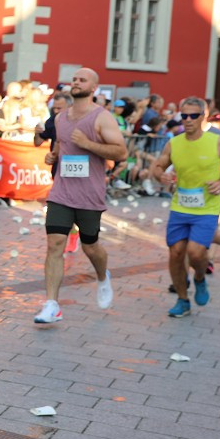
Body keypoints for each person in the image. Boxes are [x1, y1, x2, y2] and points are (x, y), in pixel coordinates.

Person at [34, 68, 127, 324]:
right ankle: (52, 304)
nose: (76, 83)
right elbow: (61, 144)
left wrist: (87, 144)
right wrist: (52, 156)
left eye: (82, 80)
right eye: (74, 79)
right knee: (54, 244)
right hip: (61, 192)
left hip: (89, 194)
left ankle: (102, 276)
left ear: (94, 87)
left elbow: (121, 152)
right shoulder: (62, 117)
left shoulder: (102, 118)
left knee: (90, 246)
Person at [150, 97, 220, 317]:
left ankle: (199, 279)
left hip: (206, 208)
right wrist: (162, 176)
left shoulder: (216, 142)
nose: (188, 120)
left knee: (195, 252)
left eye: (193, 116)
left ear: (203, 117)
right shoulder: (174, 143)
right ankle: (182, 300)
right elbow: (158, 166)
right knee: (176, 253)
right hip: (180, 206)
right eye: (184, 116)